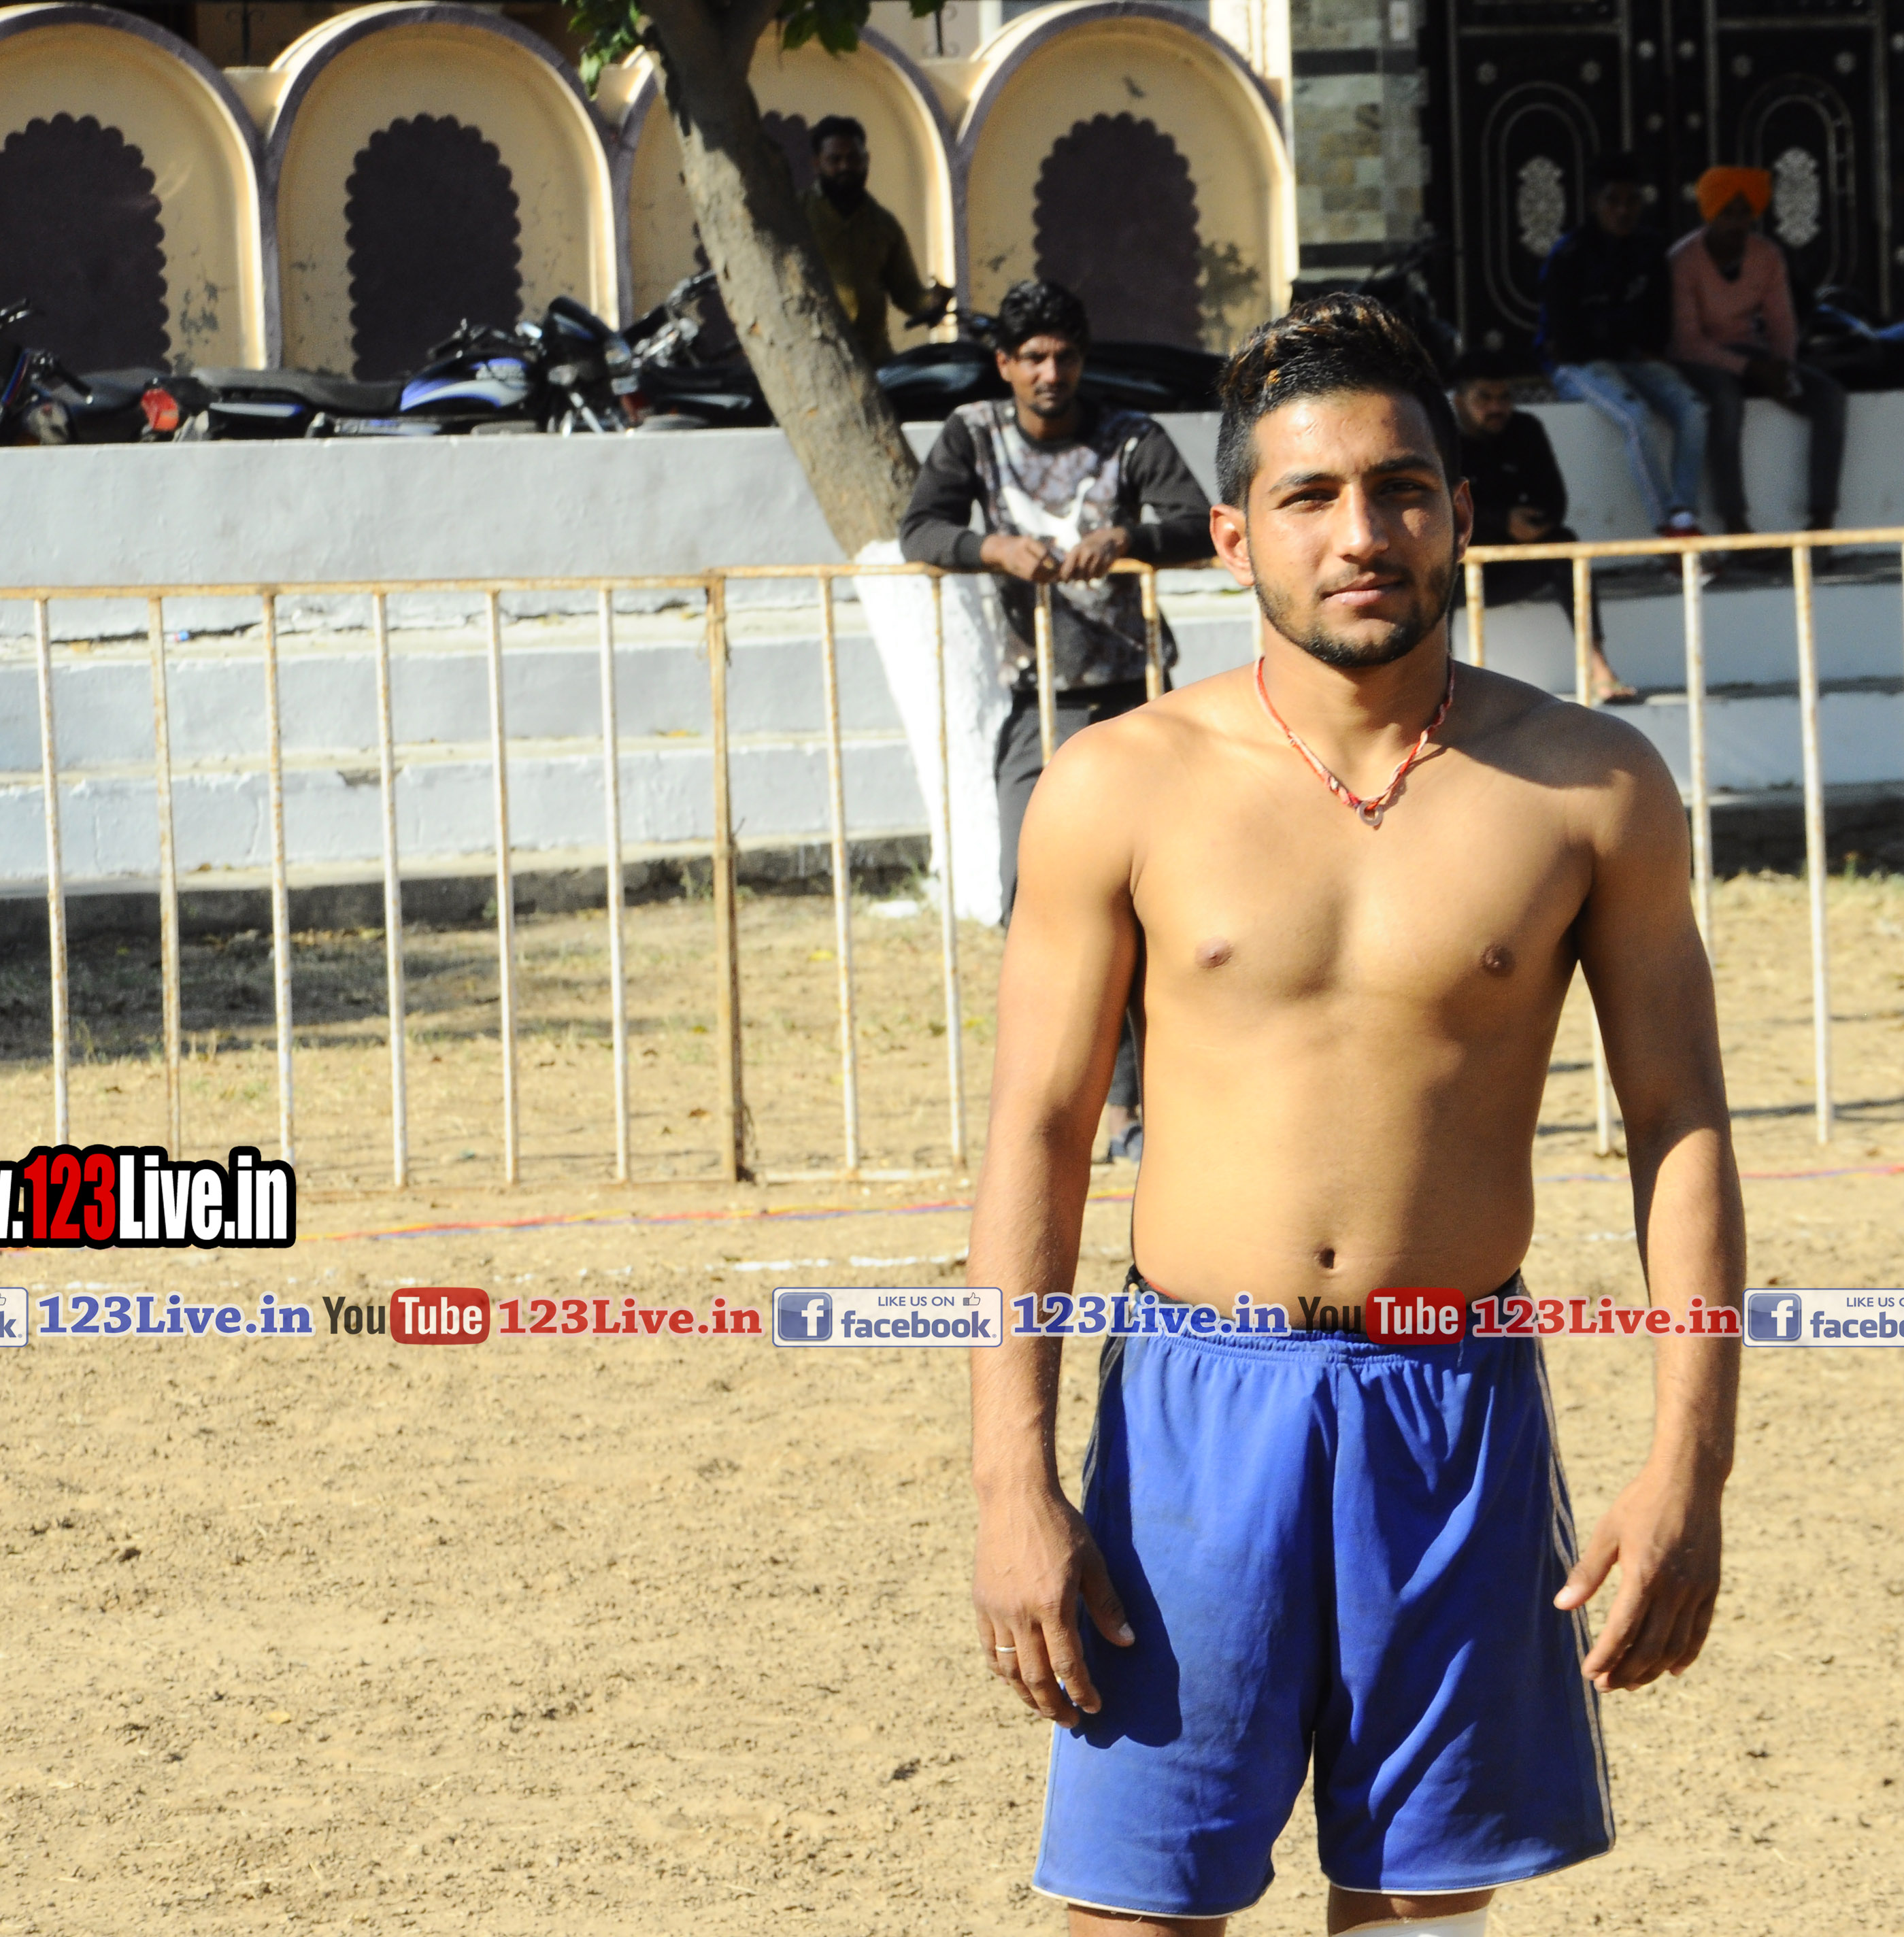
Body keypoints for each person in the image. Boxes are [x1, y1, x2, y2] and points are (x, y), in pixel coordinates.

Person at [965, 293, 1744, 1934]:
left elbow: (1677, 1120)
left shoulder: (1592, 786)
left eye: (1397, 489)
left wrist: (1690, 1466)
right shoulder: (1120, 783)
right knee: (1134, 1912)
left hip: (1451, 1405)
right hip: (1191, 1407)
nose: (1360, 533)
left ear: (1458, 511)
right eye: (1309, 496)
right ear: (1232, 535)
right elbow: (1037, 1132)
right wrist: (1008, 1483)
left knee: (1413, 1910)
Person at [899, 277, 1213, 1158]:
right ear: (1004, 364)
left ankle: (1142, 1107)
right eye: (1033, 357)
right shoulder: (974, 433)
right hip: (1038, 700)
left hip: (1135, 697)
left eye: (1065, 356)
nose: (1051, 373)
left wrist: (1130, 539)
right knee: (1032, 900)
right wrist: (990, 547)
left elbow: (1201, 522)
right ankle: (1059, 1102)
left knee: (1155, 906)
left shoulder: (1129, 435)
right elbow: (920, 529)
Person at [1669, 164, 1847, 551]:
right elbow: (1687, 342)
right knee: (1726, 402)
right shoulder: (1684, 260)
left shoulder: (1767, 256)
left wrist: (1784, 369)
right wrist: (1752, 369)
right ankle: (1735, 523)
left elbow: (1782, 323)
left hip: (1751, 353)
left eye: (1744, 213)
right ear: (1710, 213)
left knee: (1829, 397)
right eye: (1727, 213)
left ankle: (1822, 522)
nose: (1737, 223)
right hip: (1700, 359)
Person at [1537, 154, 1714, 536]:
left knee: (1694, 410)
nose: (1623, 210)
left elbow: (1657, 321)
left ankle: (1684, 514)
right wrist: (1614, 342)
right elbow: (1566, 337)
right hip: (1579, 364)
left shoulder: (1649, 249)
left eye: (1632, 201)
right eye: (1612, 201)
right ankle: (1665, 527)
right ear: (1594, 203)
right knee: (1636, 418)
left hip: (1634, 359)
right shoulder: (1569, 254)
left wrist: (1635, 346)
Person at [1451, 355, 1637, 701]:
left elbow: (1555, 501)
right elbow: (1440, 509)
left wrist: (1534, 527)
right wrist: (1501, 520)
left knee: (1565, 545)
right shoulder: (1442, 438)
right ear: (1460, 402)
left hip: (1512, 562)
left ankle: (1598, 667)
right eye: (1484, 398)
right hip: (1460, 566)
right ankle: (1441, 685)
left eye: (1504, 398)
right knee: (1436, 562)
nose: (1496, 408)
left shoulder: (1526, 429)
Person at [803, 114, 951, 367]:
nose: (845, 167)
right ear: (817, 164)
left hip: (874, 361)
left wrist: (933, 302)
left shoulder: (884, 225)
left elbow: (906, 292)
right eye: (834, 160)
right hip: (815, 359)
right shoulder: (796, 216)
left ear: (866, 160)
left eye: (853, 158)